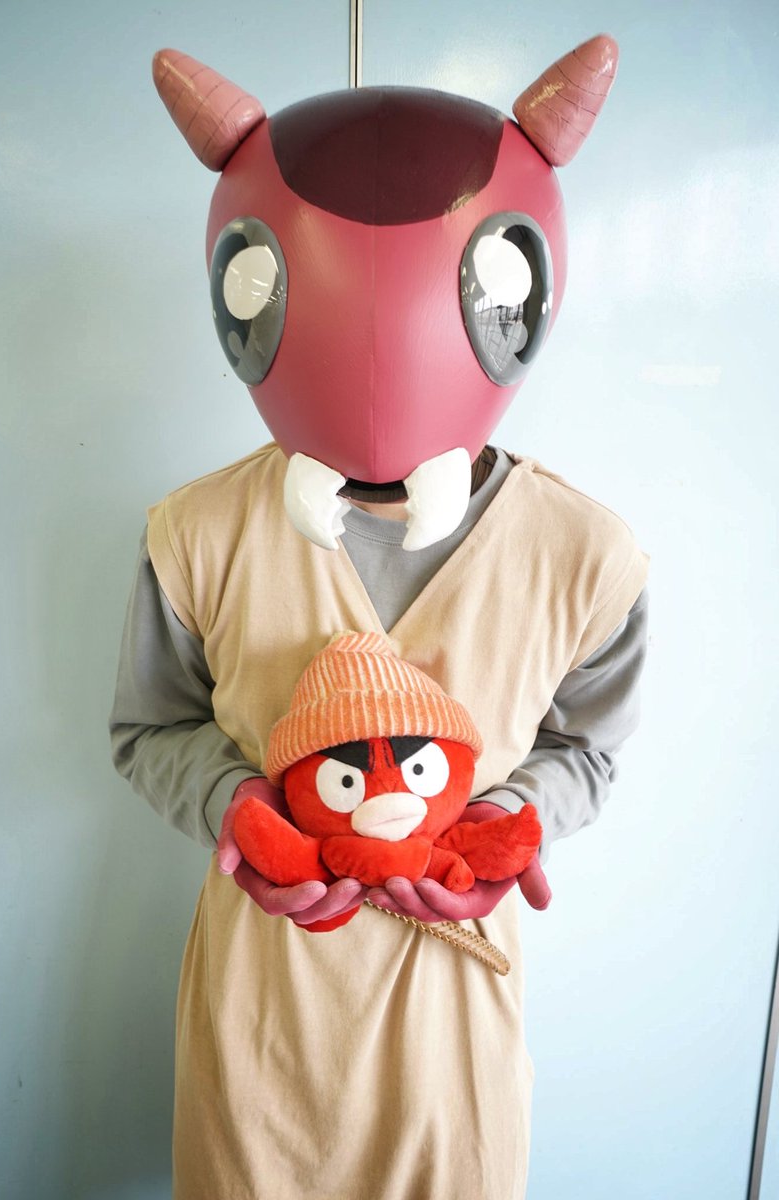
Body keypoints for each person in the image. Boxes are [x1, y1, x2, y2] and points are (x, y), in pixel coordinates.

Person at [111, 36, 648, 1200]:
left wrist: (506, 821)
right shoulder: (192, 534)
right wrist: (236, 801)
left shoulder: (584, 555)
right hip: (265, 1020)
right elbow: (148, 730)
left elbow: (588, 748)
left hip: (452, 1031)